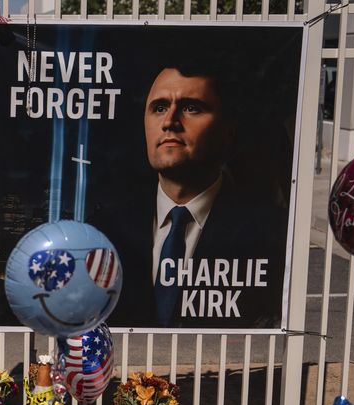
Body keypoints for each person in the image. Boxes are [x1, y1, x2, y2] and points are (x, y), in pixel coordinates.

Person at [94, 62, 287, 329]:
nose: (170, 122)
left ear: (228, 129)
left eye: (191, 107)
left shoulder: (270, 231)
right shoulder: (106, 227)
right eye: (159, 108)